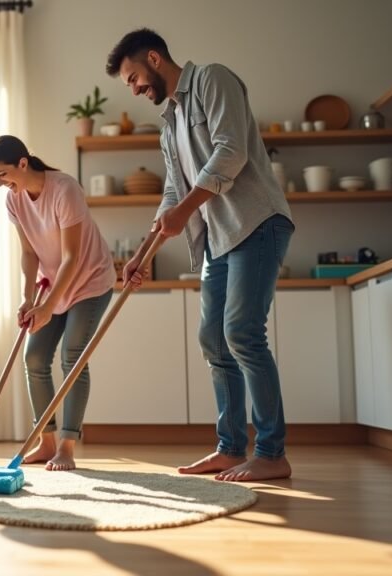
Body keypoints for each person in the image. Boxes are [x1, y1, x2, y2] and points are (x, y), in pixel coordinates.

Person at [106, 29, 295, 482]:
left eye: (133, 78)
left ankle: (271, 453)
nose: (134, 89)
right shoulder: (169, 123)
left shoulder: (212, 79)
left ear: (154, 58)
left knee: (242, 334)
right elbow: (174, 191)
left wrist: (185, 210)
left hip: (256, 222)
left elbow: (231, 151)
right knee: (214, 340)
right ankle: (230, 448)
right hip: (217, 238)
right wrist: (142, 253)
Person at [0, 135, 115, 472]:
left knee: (73, 356)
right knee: (35, 357)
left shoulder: (64, 189)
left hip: (88, 281)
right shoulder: (14, 200)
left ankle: (67, 447)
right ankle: (46, 442)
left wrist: (47, 306)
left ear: (22, 163)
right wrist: (28, 298)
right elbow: (29, 253)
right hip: (51, 283)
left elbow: (72, 257)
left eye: (2, 174)